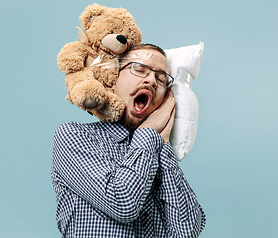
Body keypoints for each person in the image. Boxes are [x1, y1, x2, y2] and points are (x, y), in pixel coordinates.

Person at [51, 44, 206, 237]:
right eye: (139, 69)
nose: (151, 81)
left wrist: (164, 145)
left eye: (161, 78)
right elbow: (123, 203)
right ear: (113, 80)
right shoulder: (74, 136)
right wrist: (149, 131)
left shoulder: (160, 154)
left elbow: (187, 232)